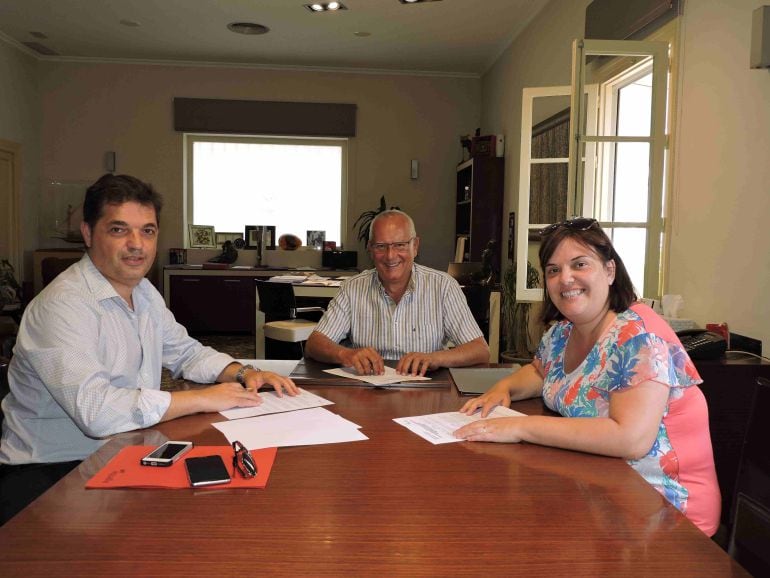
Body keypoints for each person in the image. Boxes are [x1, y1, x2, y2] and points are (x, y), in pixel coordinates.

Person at [0, 173, 298, 524]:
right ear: (87, 233)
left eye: (147, 231)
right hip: (52, 470)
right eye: (118, 229)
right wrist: (203, 398)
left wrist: (243, 372)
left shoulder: (142, 292)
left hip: (124, 450)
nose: (136, 244)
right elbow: (96, 413)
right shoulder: (62, 306)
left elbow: (185, 351)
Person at [454, 218, 720, 536]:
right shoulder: (564, 331)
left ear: (609, 271)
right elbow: (540, 372)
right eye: (553, 270)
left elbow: (630, 439)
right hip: (602, 490)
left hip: (666, 515)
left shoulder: (638, 335)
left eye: (579, 264)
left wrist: (520, 426)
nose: (565, 278)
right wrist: (505, 387)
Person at [305, 210, 489, 376]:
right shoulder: (353, 288)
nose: (390, 255)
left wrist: (435, 358)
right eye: (381, 246)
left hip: (424, 392)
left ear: (415, 246)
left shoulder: (443, 286)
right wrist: (346, 354)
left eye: (400, 245)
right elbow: (314, 344)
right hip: (366, 392)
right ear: (370, 249)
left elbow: (480, 351)